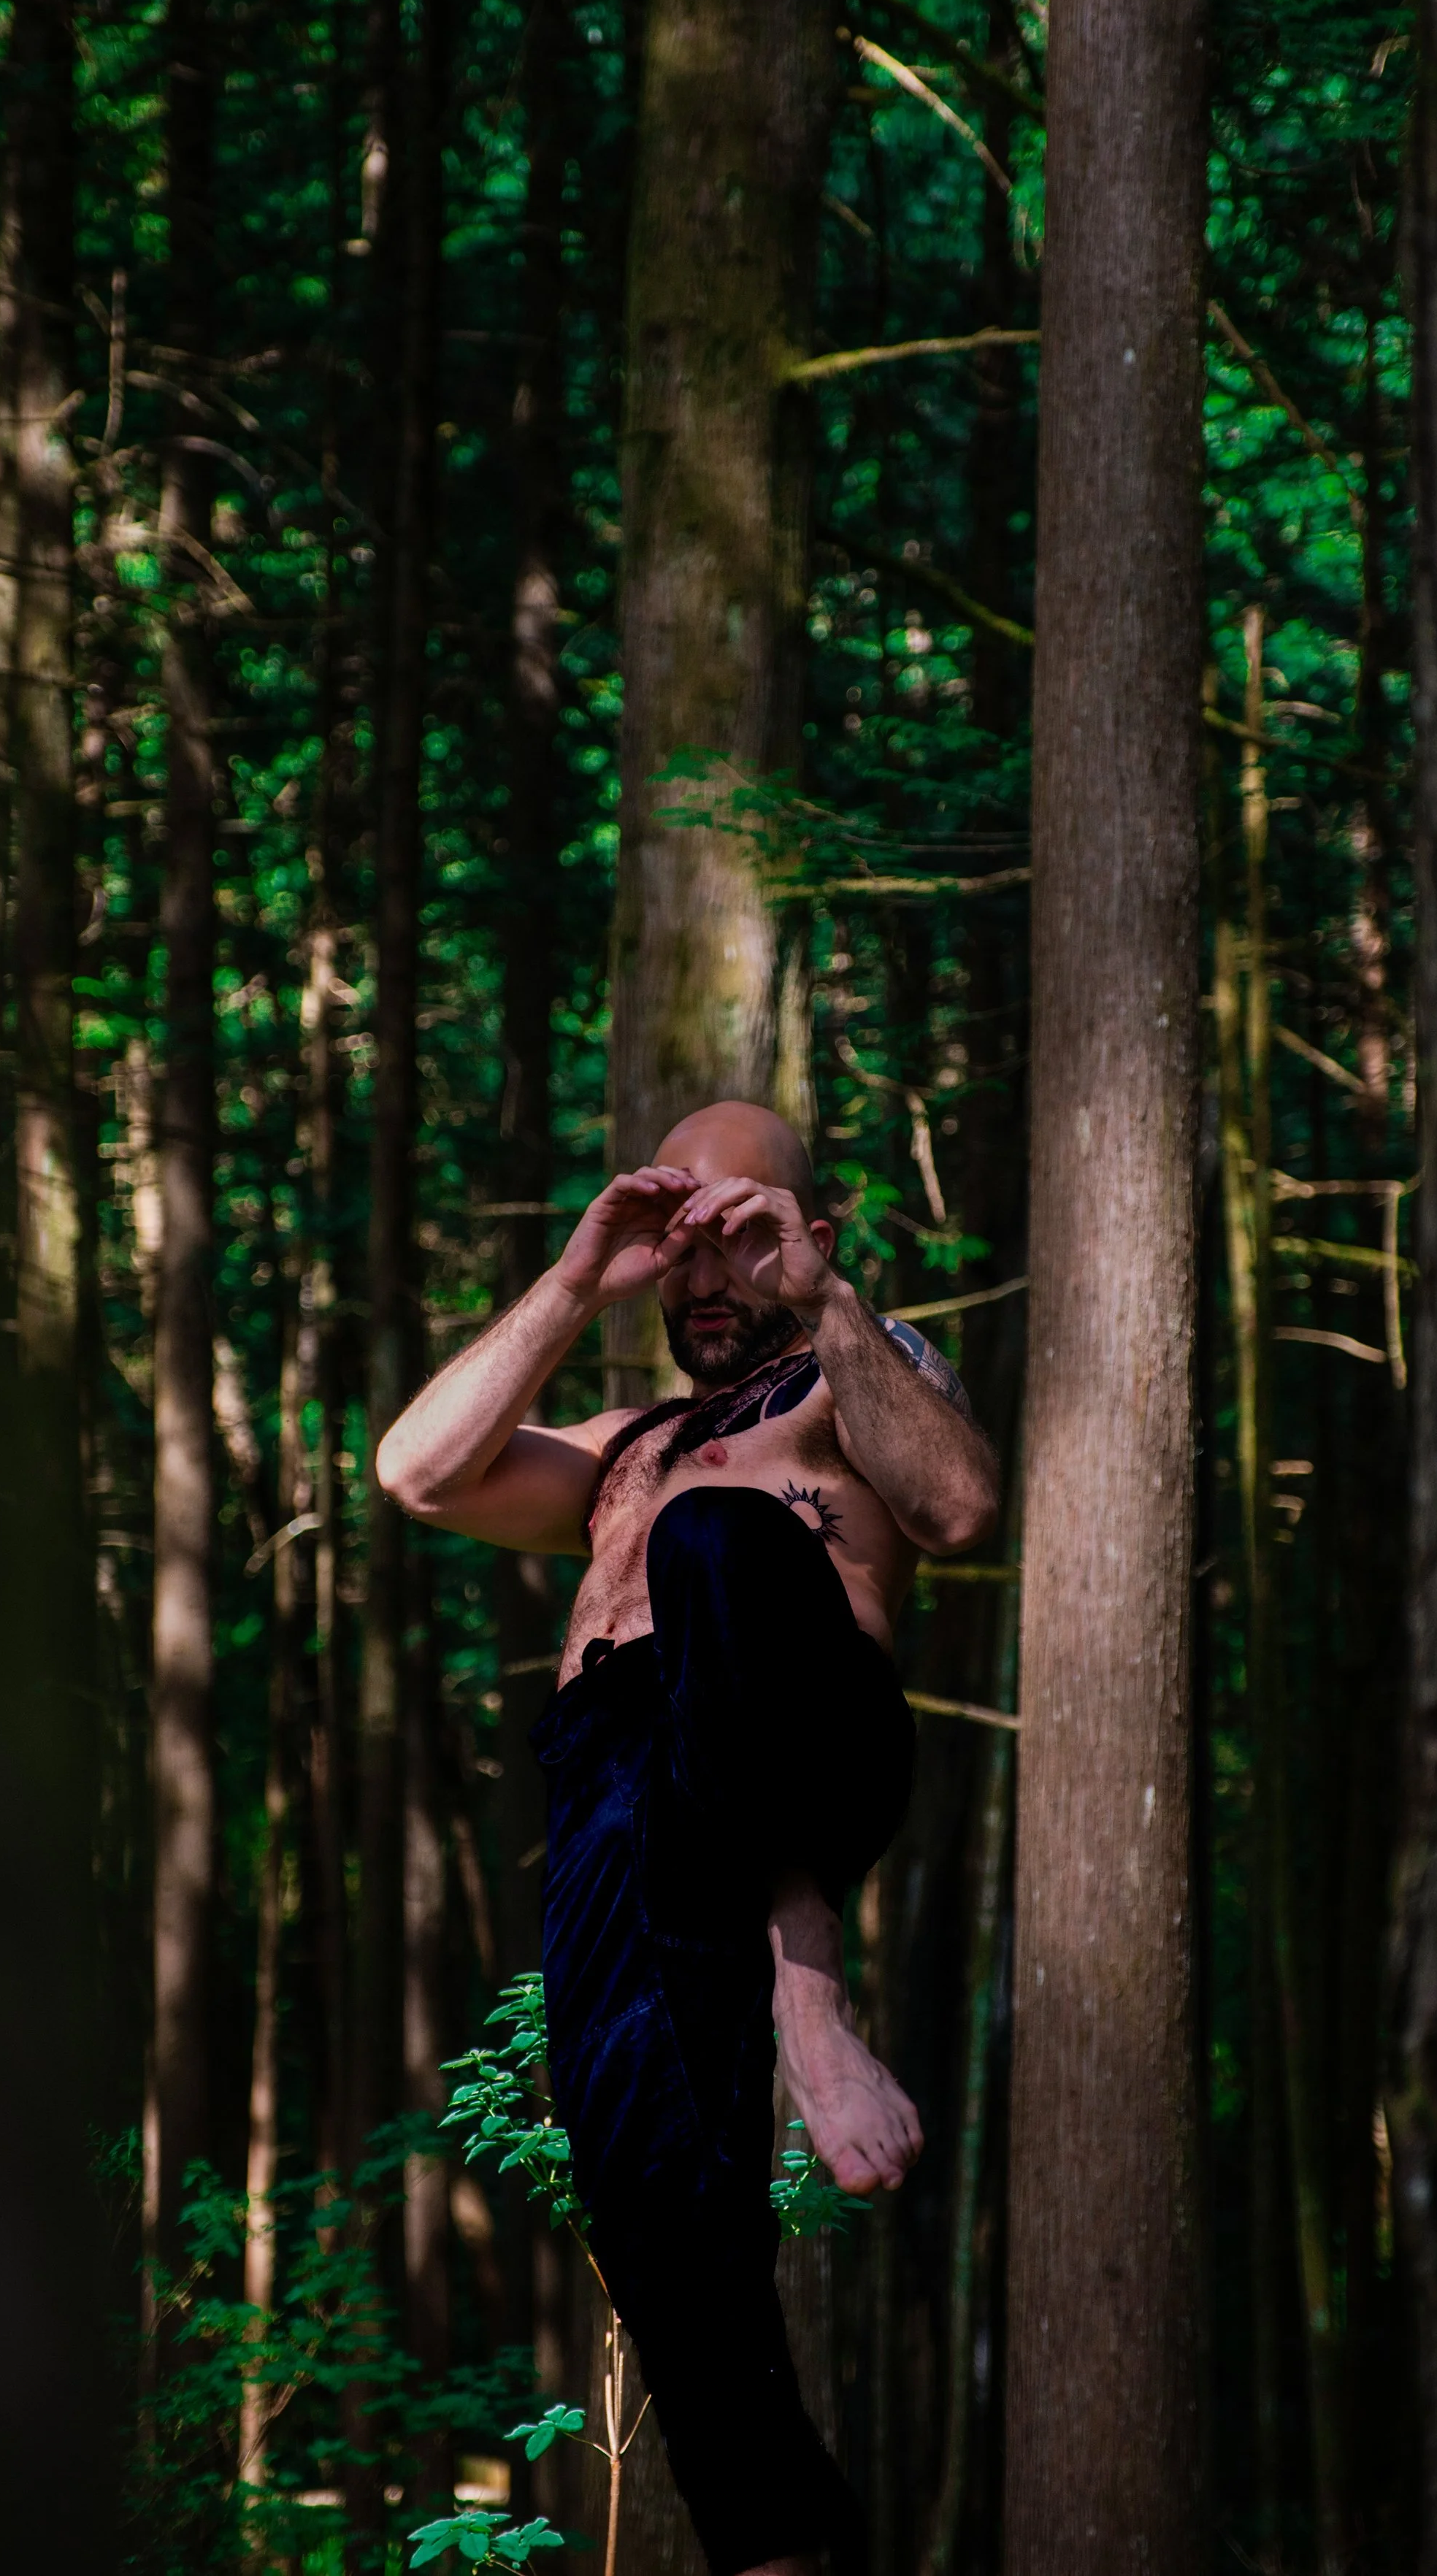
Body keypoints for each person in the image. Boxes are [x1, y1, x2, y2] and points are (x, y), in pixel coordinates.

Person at [378, 1100, 1000, 2575]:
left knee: (709, 1543)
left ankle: (804, 1989)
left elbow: (960, 1505)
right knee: (659, 2220)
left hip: (805, 1735)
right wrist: (583, 1268)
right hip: (615, 1807)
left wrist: (824, 1297)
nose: (704, 1273)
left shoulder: (856, 1376)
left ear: (806, 1234)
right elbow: (415, 1470)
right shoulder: (623, 1448)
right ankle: (787, 2553)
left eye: (738, 1233)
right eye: (681, 1243)